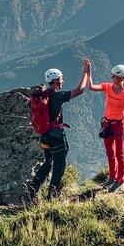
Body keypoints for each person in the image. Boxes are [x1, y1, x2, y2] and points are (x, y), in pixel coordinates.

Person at [28, 60, 89, 201]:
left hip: (45, 135)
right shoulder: (57, 96)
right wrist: (86, 73)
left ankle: (32, 192)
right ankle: (52, 196)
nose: (62, 81)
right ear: (56, 81)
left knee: (48, 162)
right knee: (59, 165)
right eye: (61, 79)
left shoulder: (44, 96)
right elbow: (79, 90)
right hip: (56, 136)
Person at [86, 59, 124, 192]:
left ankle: (120, 180)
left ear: (122, 78)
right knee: (110, 153)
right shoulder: (107, 87)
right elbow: (90, 87)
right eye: (112, 75)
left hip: (120, 126)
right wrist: (88, 72)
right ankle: (112, 178)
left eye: (115, 76)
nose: (112, 77)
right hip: (107, 124)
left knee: (120, 153)